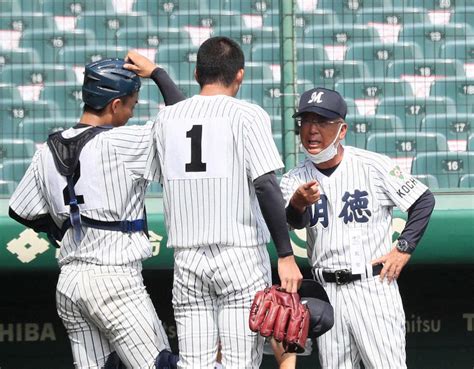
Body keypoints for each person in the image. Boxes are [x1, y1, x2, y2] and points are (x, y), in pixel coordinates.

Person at [129, 36, 303, 368]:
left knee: (194, 364)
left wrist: (158, 74)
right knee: (240, 363)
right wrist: (285, 254)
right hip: (239, 256)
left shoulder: (167, 119)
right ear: (240, 75)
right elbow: (266, 185)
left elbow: (187, 114)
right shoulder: (248, 115)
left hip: (188, 261)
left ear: (196, 73)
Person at [8, 58, 184, 369]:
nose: (131, 113)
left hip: (70, 285)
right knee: (162, 365)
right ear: (115, 104)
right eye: (130, 105)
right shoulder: (122, 141)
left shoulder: (47, 149)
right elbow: (187, 119)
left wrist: (64, 230)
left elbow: (22, 211)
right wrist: (157, 72)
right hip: (115, 280)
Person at [280, 87, 436, 369]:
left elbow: (423, 200)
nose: (312, 130)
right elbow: (293, 221)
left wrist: (403, 249)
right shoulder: (295, 178)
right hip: (327, 291)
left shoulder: (372, 165)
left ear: (342, 130)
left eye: (322, 121)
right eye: (306, 121)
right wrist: (299, 204)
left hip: (372, 287)